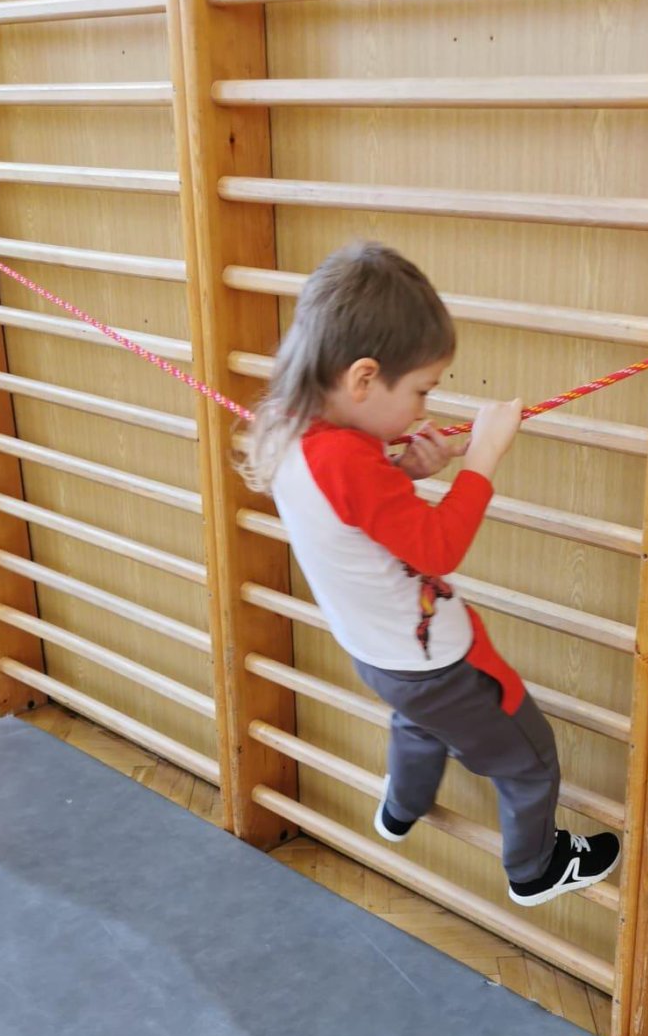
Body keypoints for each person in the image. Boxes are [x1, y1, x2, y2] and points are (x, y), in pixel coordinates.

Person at [242, 241, 620, 906]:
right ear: (362, 379)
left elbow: (354, 514)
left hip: (379, 656)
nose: (423, 410)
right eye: (420, 390)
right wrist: (483, 460)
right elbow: (438, 549)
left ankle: (402, 807)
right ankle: (535, 867)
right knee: (530, 759)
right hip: (439, 664)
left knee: (418, 721)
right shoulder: (348, 461)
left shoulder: (292, 431)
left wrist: (405, 471)